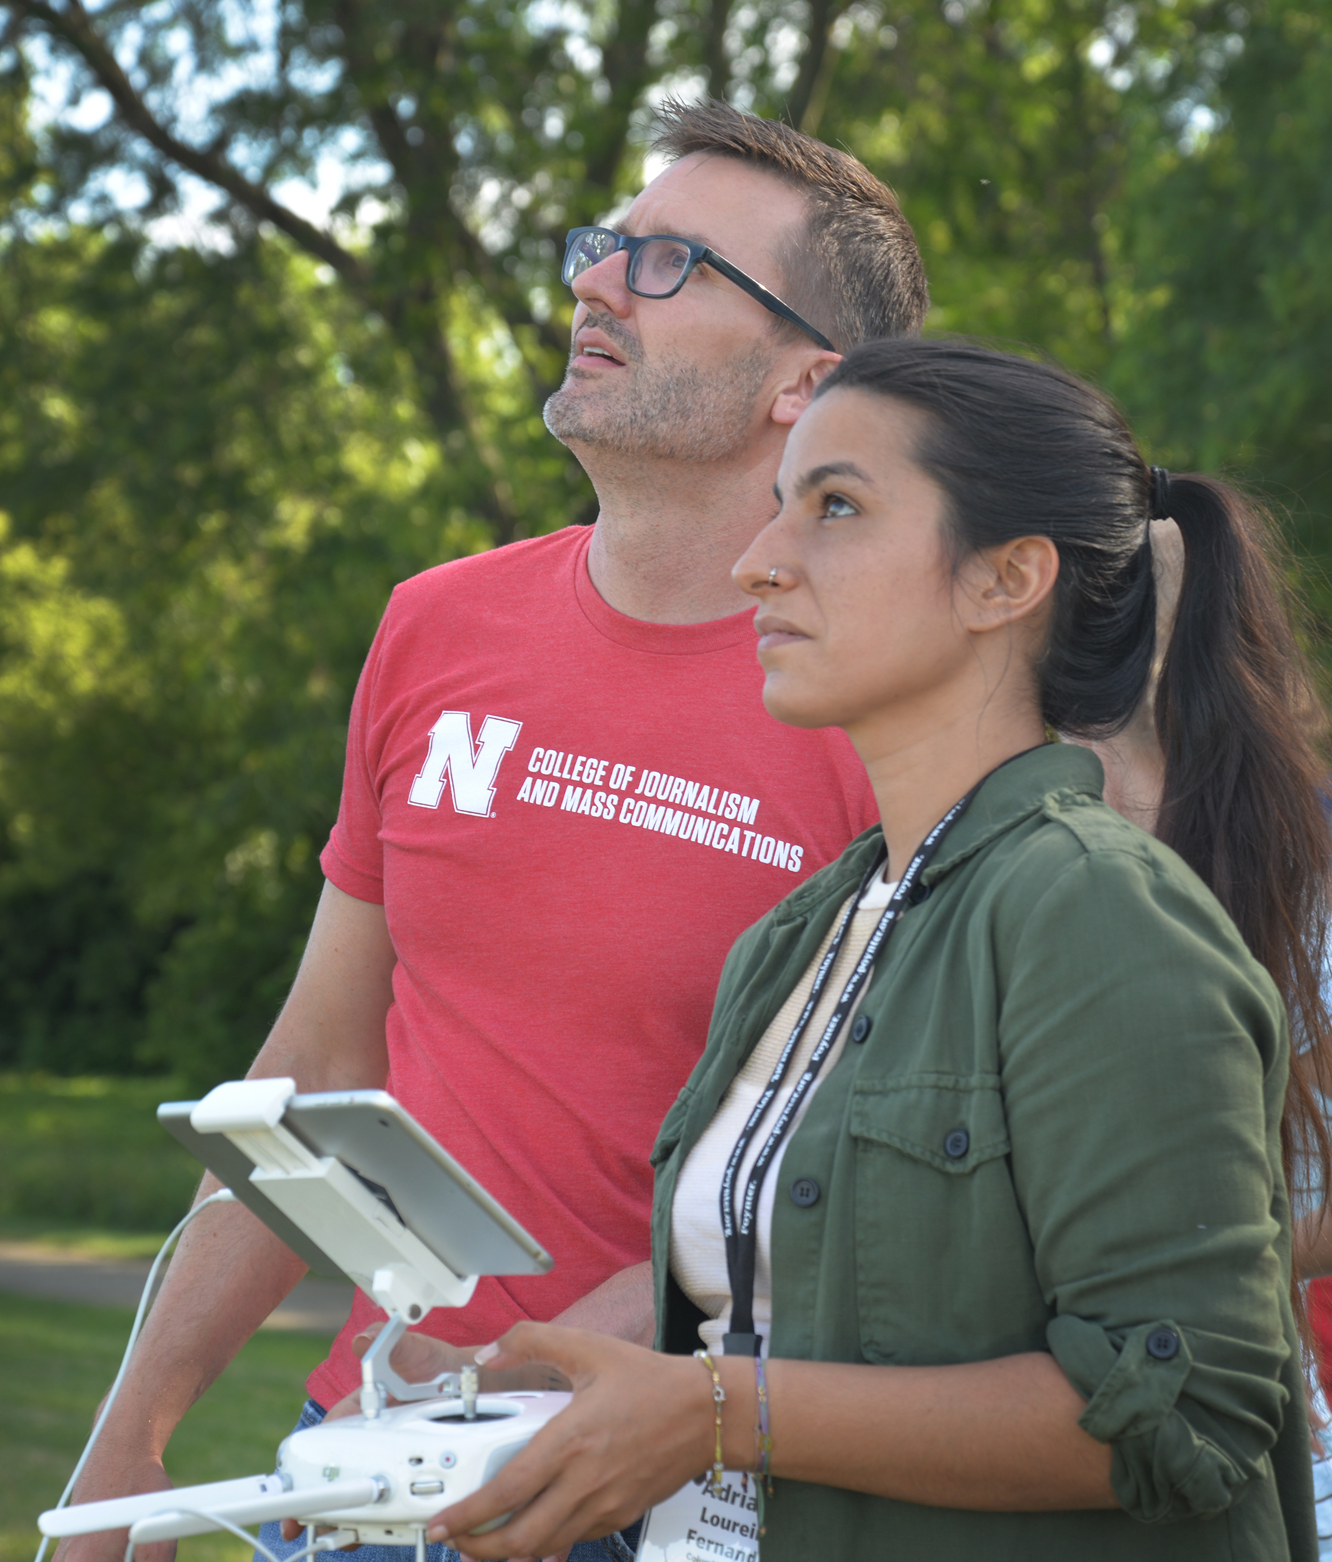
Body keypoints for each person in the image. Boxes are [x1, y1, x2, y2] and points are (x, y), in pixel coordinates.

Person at [53, 101, 928, 1562]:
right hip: (368, 1476)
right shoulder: (434, 624)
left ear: (806, 380)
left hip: (661, 1503)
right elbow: (314, 1070)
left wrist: (482, 1407)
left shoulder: (881, 710)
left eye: (668, 266)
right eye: (605, 249)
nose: (591, 284)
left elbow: (836, 1195)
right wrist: (126, 1435)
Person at [423, 337, 1332, 1560]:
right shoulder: (795, 939)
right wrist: (543, 1404)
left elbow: (1181, 1413)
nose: (758, 561)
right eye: (777, 505)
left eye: (834, 506)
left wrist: (714, 1417)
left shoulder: (1100, 914)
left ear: (1002, 578)